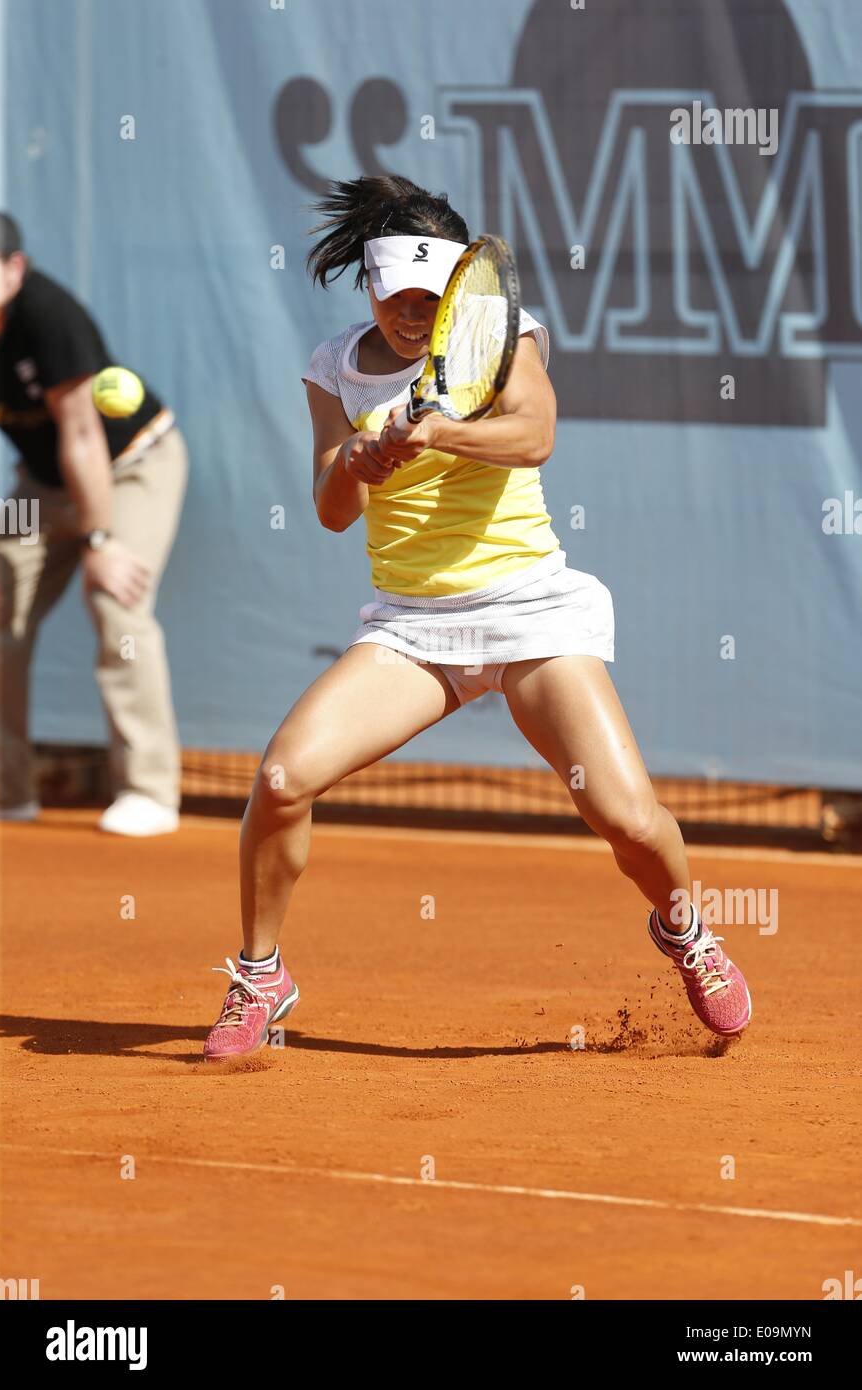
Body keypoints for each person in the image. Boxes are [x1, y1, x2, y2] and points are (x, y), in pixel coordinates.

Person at [203, 174, 752, 1059]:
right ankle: (260, 975)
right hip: (409, 631)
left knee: (631, 821)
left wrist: (438, 433)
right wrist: (356, 458)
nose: (412, 317)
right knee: (279, 782)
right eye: (396, 299)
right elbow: (331, 509)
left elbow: (534, 435)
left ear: (461, 287)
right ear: (371, 288)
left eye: (430, 299)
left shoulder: (501, 343)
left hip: (531, 612)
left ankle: (687, 931)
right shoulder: (333, 367)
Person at [0, 213, 188, 836]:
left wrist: (99, 540)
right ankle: (7, 792)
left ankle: (150, 792)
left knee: (114, 600)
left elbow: (82, 436)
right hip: (40, 489)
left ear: (14, 269)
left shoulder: (50, 318)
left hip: (130, 468)